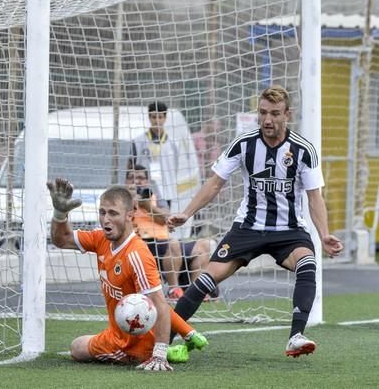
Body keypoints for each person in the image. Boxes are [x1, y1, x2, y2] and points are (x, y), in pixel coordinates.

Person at [167, 85, 344, 357]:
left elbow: (314, 197)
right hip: (247, 228)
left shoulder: (303, 149)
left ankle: (296, 335)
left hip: (289, 231)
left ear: (288, 114)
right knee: (206, 279)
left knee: (308, 263)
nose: (267, 120)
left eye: (274, 113)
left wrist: (324, 235)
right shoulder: (244, 143)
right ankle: (161, 340)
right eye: (262, 113)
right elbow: (215, 183)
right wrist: (187, 213)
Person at [46, 178, 208, 369]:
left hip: (134, 343)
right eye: (102, 212)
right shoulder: (101, 239)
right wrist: (60, 213)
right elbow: (62, 239)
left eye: (113, 213)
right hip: (117, 333)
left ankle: (148, 354)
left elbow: (159, 304)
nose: (106, 219)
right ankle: (165, 351)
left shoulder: (137, 254)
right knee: (78, 346)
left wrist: (160, 353)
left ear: (130, 216)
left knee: (77, 348)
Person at [125, 166, 214, 301]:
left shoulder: (155, 196)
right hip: (137, 245)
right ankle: (174, 290)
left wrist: (147, 206)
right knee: (173, 244)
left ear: (147, 181)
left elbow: (166, 218)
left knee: (204, 246)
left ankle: (196, 291)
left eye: (140, 178)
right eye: (131, 178)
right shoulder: (120, 199)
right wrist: (130, 201)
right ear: (125, 181)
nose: (136, 181)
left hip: (162, 243)